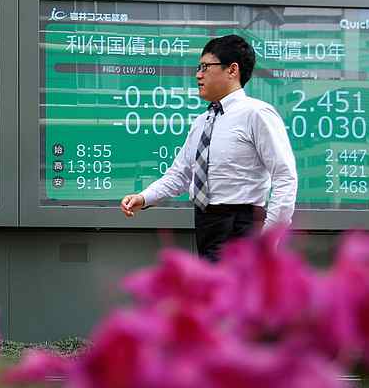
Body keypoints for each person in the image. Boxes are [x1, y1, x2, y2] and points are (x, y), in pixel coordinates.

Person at [119, 34, 298, 261]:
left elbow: (285, 176)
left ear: (232, 70)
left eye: (205, 67)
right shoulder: (202, 122)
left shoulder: (257, 114)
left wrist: (268, 239)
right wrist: (143, 198)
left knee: (236, 296)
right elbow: (180, 175)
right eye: (198, 67)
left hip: (243, 228)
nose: (198, 74)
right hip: (207, 225)